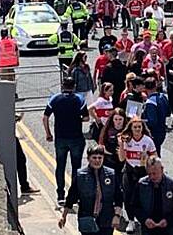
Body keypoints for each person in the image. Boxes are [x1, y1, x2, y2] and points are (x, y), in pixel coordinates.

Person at [43, 76, 89, 205]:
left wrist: (48, 133)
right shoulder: (80, 99)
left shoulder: (55, 99)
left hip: (60, 138)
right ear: (74, 87)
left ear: (63, 86)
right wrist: (76, 119)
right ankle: (74, 195)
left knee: (60, 166)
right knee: (76, 167)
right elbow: (86, 118)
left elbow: (45, 117)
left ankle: (60, 195)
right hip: (76, 138)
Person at [58, 144, 123, 235]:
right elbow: (71, 197)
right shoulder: (80, 175)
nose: (97, 160)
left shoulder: (111, 174)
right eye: (94, 158)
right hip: (87, 218)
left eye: (100, 158)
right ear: (88, 159)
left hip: (106, 219)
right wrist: (63, 216)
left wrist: (117, 216)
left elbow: (118, 197)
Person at [118, 117, 158, 234]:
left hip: (143, 172)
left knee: (145, 197)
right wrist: (121, 145)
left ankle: (144, 220)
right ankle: (131, 220)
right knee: (128, 196)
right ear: (131, 128)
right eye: (134, 127)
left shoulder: (148, 141)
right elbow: (121, 158)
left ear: (142, 128)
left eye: (139, 127)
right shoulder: (127, 140)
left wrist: (147, 159)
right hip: (130, 171)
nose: (137, 129)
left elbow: (155, 156)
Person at [130, 156, 173, 235]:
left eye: (154, 173)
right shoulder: (141, 185)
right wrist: (145, 219)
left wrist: (168, 220)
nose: (152, 177)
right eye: (149, 174)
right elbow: (135, 206)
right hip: (149, 229)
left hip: (171, 228)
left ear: (162, 169)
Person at [142, 79, 170, 155]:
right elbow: (168, 113)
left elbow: (152, 121)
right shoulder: (163, 97)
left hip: (154, 133)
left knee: (153, 155)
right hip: (162, 130)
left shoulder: (150, 102)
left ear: (145, 88)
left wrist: (142, 120)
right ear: (156, 86)